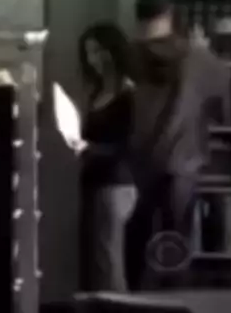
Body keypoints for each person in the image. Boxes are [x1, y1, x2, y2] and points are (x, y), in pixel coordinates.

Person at [122, 0, 229, 291]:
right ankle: (173, 295)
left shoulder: (129, 55)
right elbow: (222, 99)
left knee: (137, 233)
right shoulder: (195, 57)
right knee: (176, 237)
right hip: (183, 161)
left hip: (141, 163)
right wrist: (204, 51)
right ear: (169, 16)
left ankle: (136, 297)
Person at [77, 22, 137, 292]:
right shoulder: (97, 92)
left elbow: (128, 146)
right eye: (89, 53)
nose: (95, 59)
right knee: (97, 259)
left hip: (116, 184)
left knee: (110, 258)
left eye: (100, 51)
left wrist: (90, 149)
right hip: (94, 181)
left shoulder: (128, 94)